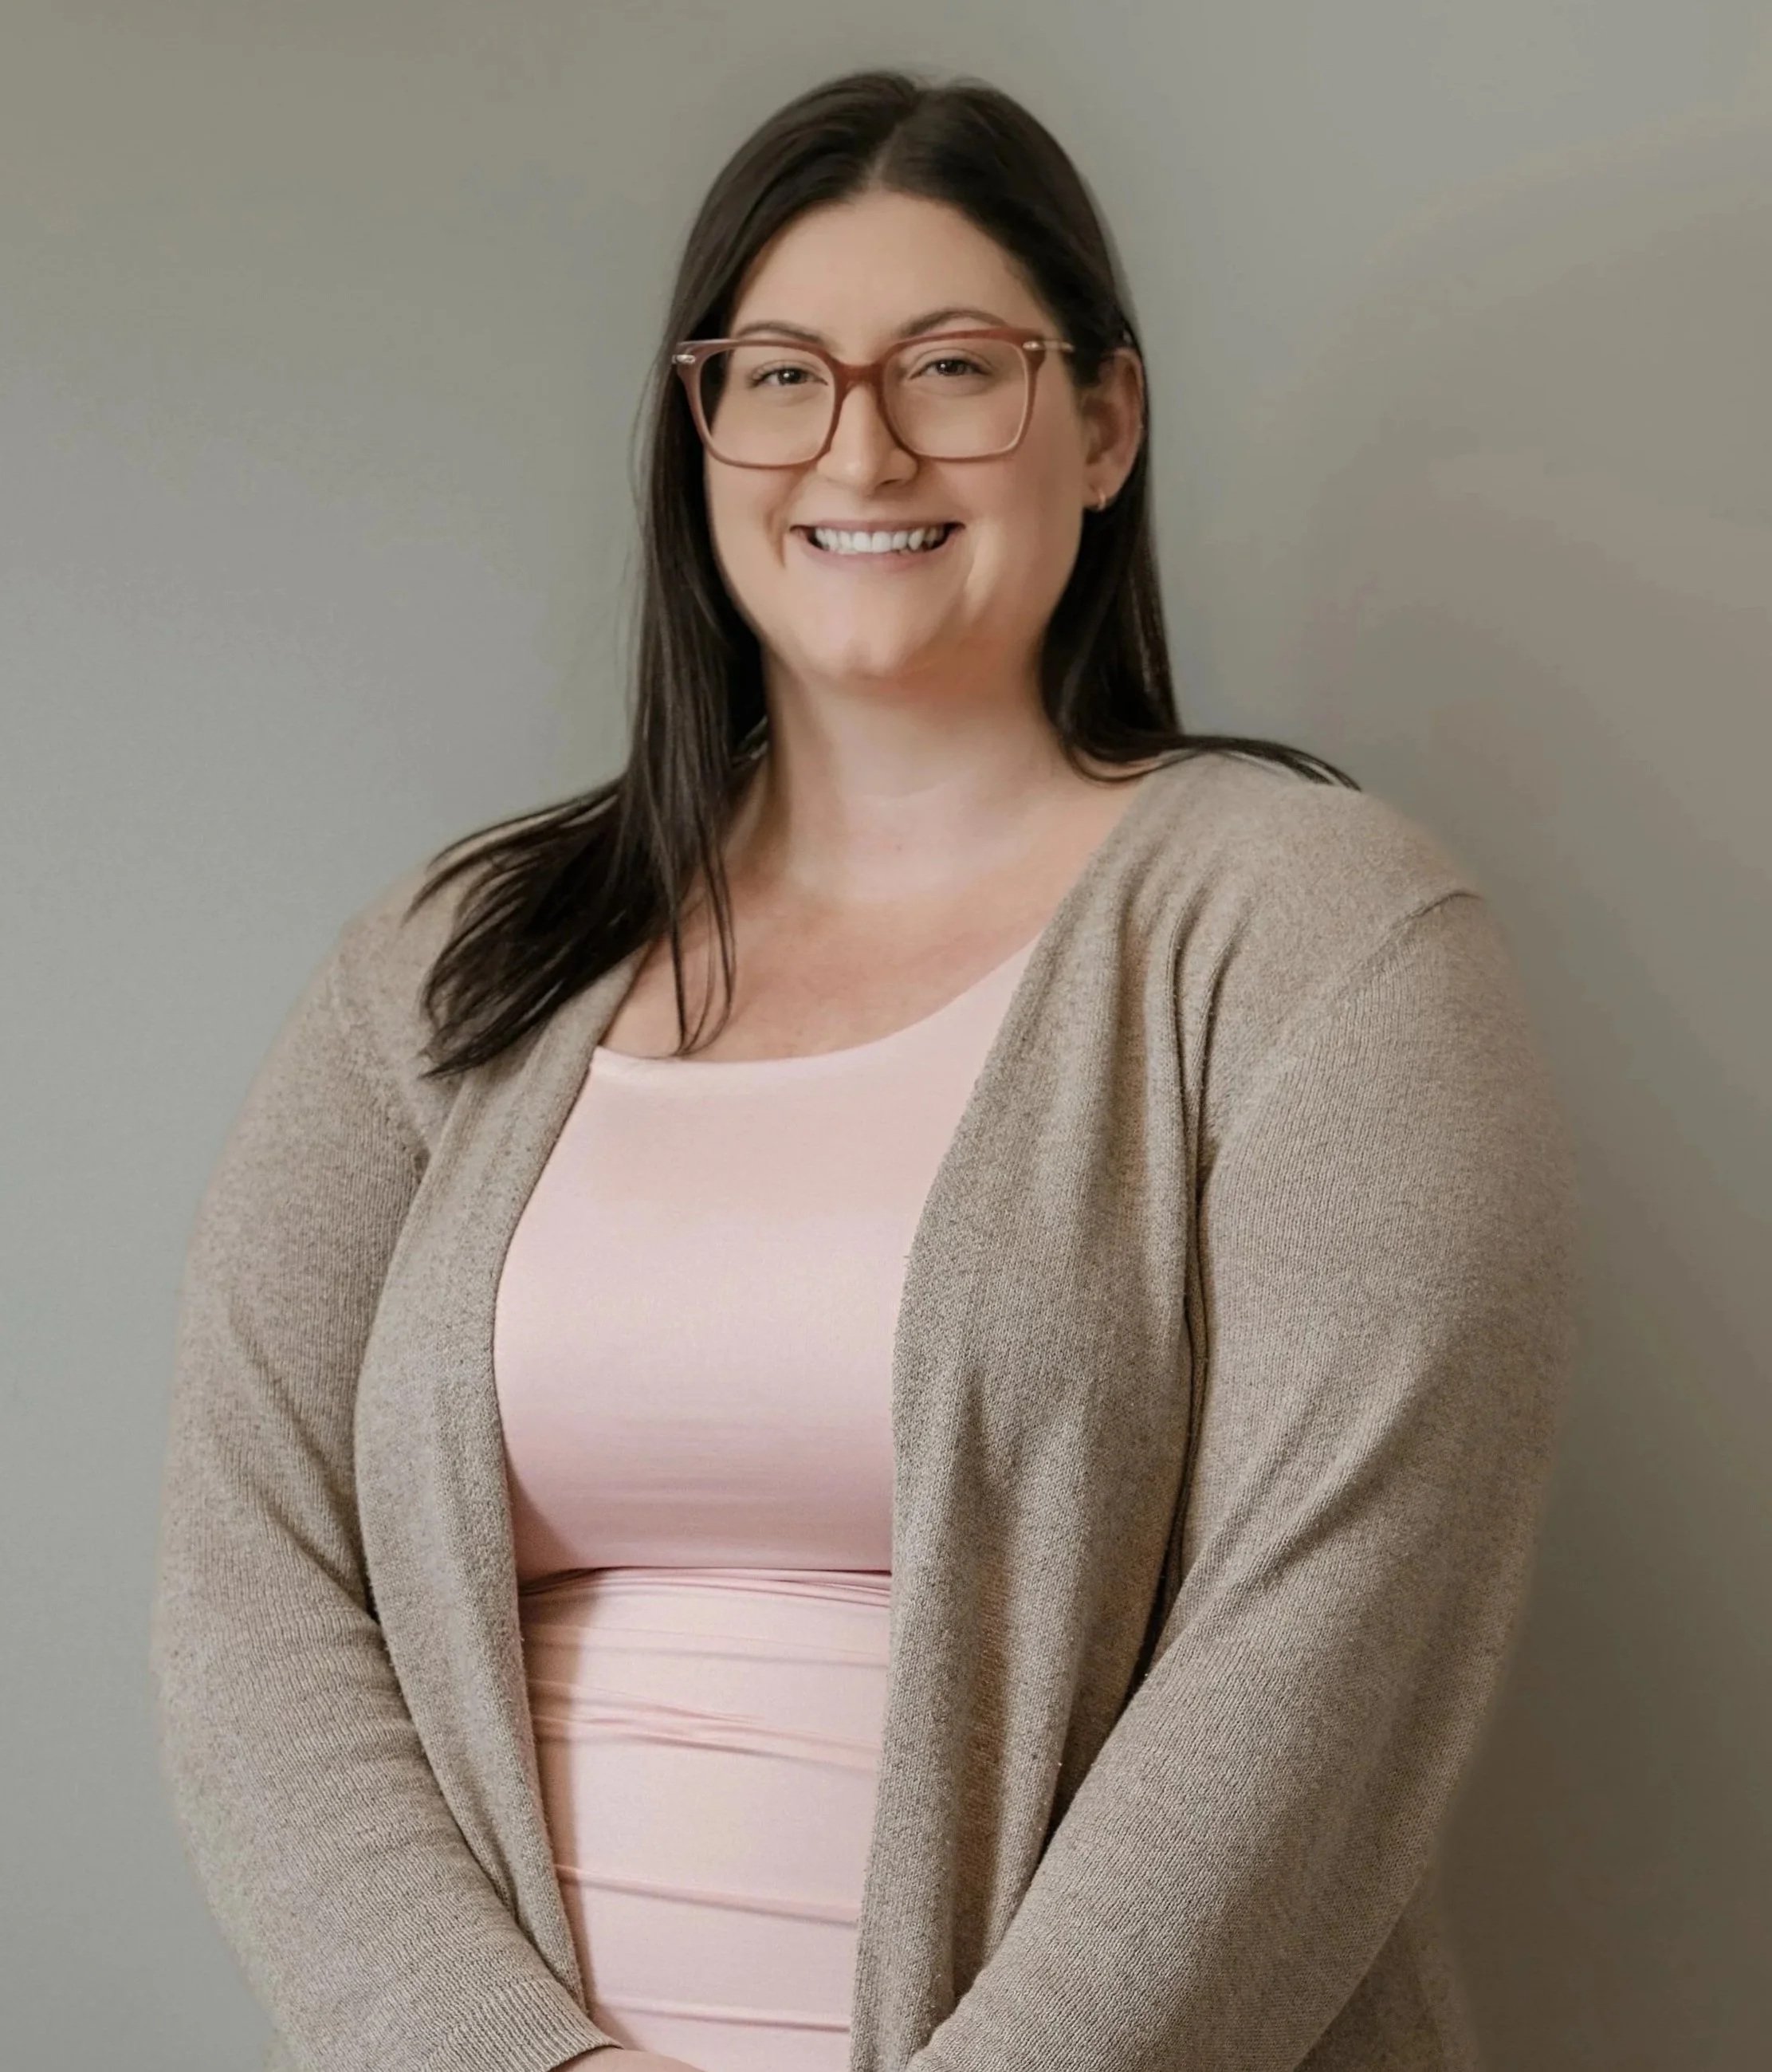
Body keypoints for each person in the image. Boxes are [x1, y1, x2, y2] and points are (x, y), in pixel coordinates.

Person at [148, 67, 1580, 2072]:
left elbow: (1337, 1636)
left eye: (954, 368)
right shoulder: (443, 967)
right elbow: (249, 1593)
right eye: (780, 374)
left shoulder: (1321, 939)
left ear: (1103, 423)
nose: (863, 443)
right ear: (703, 434)